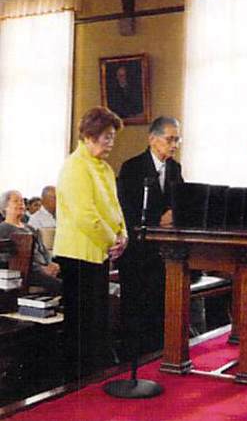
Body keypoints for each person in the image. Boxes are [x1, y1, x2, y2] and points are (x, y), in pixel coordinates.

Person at [53, 106, 128, 379]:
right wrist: (112, 241)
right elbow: (85, 215)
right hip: (78, 254)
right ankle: (77, 381)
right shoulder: (75, 167)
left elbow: (115, 207)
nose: (111, 142)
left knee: (97, 319)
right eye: (107, 136)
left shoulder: (104, 168)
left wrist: (123, 235)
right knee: (82, 321)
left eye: (112, 137)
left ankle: (93, 376)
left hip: (99, 251)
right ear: (89, 136)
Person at [117, 116, 183, 356]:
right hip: (137, 252)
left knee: (159, 308)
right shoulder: (132, 167)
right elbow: (127, 210)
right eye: (170, 139)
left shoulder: (175, 168)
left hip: (164, 252)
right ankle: (133, 357)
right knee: (136, 310)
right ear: (153, 139)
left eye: (177, 140)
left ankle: (157, 356)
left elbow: (181, 200)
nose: (174, 145)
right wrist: (157, 220)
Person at [0, 190, 62, 294]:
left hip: (44, 268)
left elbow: (43, 250)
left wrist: (51, 264)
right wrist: (41, 269)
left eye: (22, 201)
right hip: (27, 272)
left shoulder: (30, 228)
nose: (21, 204)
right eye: (16, 201)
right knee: (62, 285)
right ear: (5, 207)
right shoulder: (3, 229)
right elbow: (7, 259)